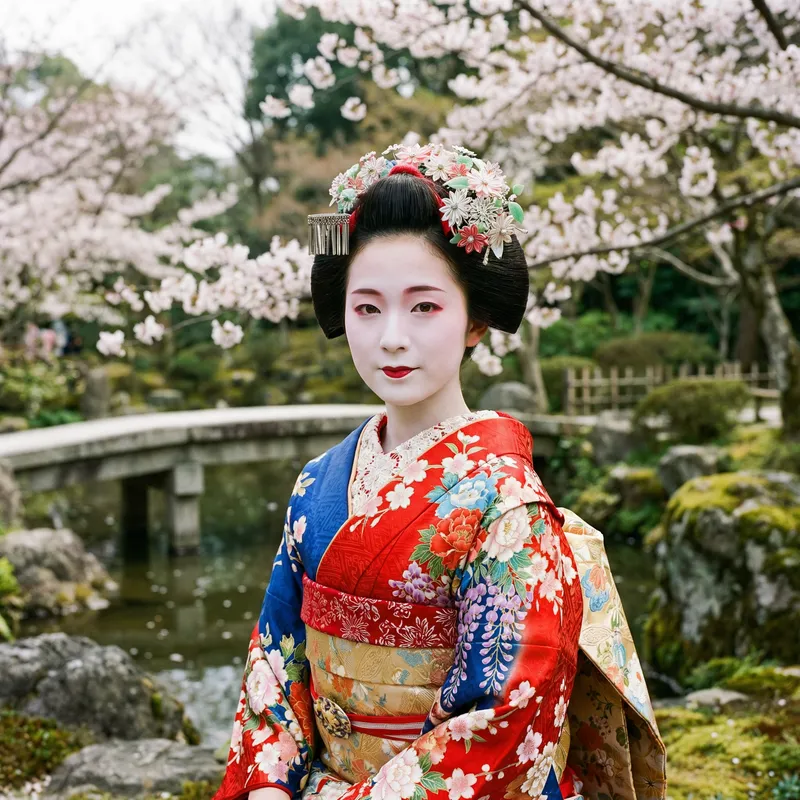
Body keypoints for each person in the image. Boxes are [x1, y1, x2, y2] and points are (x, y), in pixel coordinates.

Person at [212, 144, 666, 800]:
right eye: (367, 308)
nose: (391, 336)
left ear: (476, 319)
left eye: (423, 307)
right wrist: (269, 786)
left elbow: (505, 715)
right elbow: (276, 661)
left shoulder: (506, 505)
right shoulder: (318, 482)